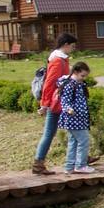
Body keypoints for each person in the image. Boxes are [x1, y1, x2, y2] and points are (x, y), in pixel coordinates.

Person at [32, 32, 78, 175]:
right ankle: (38, 164)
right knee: (53, 132)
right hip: (57, 102)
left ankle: (80, 158)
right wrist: (44, 104)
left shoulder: (61, 59)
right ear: (65, 45)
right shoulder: (58, 61)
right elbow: (49, 83)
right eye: (72, 46)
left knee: (72, 130)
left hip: (60, 101)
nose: (73, 48)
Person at [58, 61, 95, 174]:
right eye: (82, 76)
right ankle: (80, 165)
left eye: (85, 76)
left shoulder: (80, 84)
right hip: (73, 119)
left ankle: (69, 167)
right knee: (84, 141)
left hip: (80, 118)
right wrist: (69, 109)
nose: (83, 78)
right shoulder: (70, 85)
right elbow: (64, 100)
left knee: (73, 142)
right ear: (75, 72)